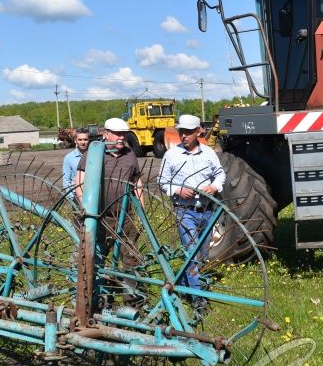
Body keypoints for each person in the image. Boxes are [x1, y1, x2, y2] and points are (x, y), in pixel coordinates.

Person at [157, 114, 226, 304]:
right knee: (192, 254)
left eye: (188, 132)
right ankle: (199, 300)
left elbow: (220, 174)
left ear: (198, 132)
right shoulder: (171, 155)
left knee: (203, 255)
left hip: (207, 210)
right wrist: (177, 190)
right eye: (181, 132)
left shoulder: (209, 153)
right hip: (184, 211)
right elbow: (162, 182)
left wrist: (214, 187)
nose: (183, 136)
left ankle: (186, 286)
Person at [74, 118, 144, 276]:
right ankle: (103, 295)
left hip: (125, 215)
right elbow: (79, 183)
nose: (121, 137)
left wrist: (141, 211)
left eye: (123, 134)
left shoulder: (129, 154)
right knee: (98, 256)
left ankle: (131, 295)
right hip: (100, 216)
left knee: (130, 256)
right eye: (117, 134)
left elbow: (137, 182)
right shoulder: (94, 154)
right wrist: (87, 211)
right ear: (106, 134)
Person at [62, 128, 90, 203]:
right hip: (76, 195)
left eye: (85, 139)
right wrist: (72, 198)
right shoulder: (69, 158)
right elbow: (66, 180)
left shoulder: (93, 156)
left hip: (92, 194)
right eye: (80, 139)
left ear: (89, 140)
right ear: (75, 140)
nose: (83, 142)